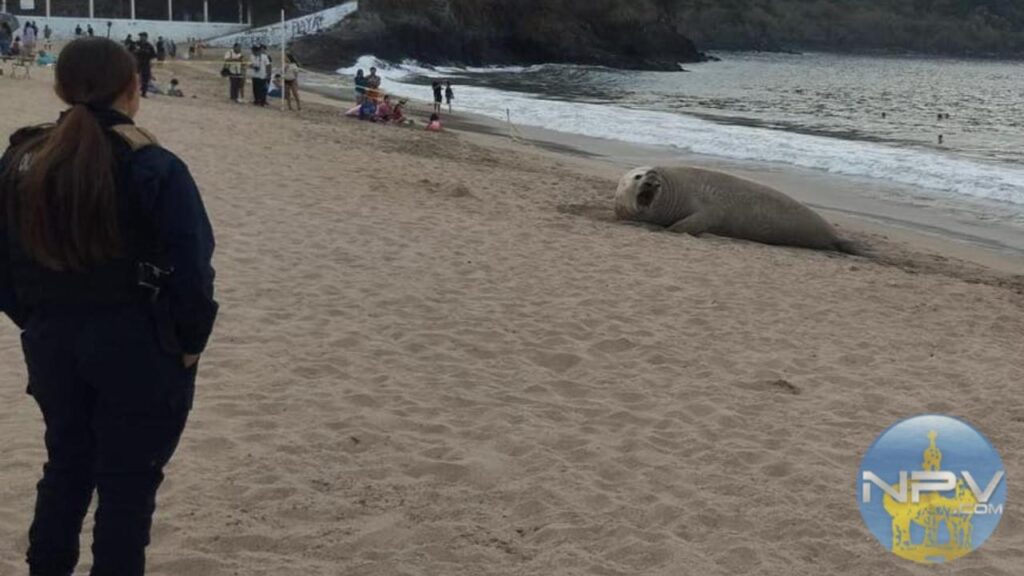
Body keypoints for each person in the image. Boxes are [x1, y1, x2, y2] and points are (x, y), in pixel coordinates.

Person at [0, 36, 217, 576]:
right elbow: (194, 270)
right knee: (127, 487)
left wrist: (38, 318)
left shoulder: (22, 158)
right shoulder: (153, 164)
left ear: (60, 87)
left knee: (66, 470)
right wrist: (188, 345)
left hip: (53, 342)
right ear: (133, 89)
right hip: (136, 344)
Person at [132, 33, 157, 99]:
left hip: (145, 63)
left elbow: (153, 55)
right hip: (136, 62)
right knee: (133, 77)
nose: (141, 38)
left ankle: (143, 93)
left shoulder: (149, 46)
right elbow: (129, 50)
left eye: (142, 36)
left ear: (146, 37)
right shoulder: (136, 44)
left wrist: (145, 53)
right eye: (140, 36)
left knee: (145, 78)